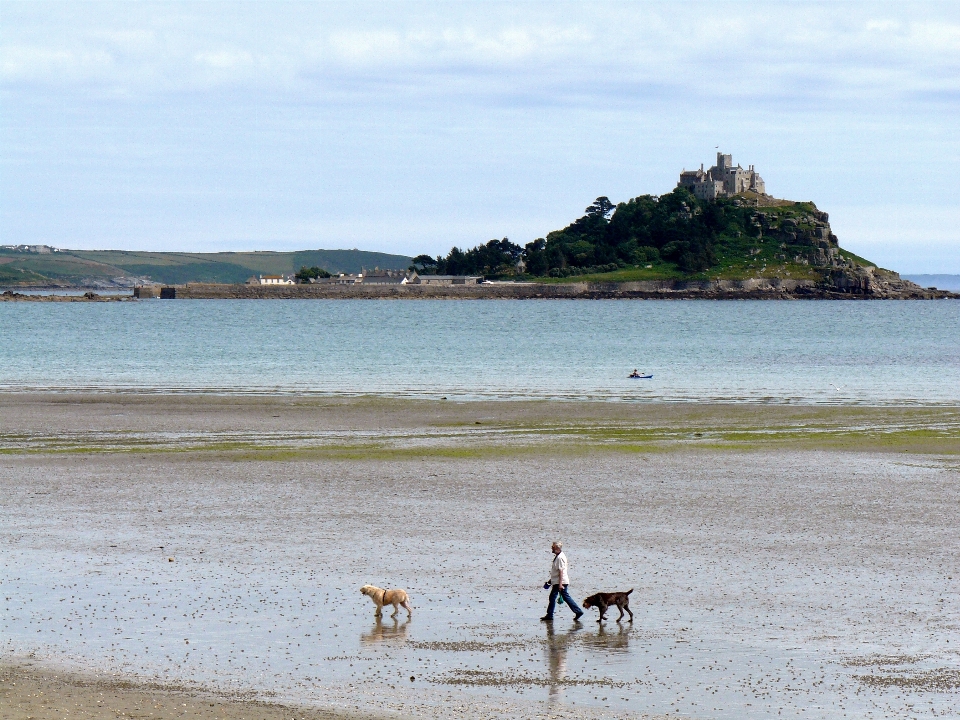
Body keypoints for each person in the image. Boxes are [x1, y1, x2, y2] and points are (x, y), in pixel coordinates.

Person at [541, 541, 584, 622]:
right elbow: (557, 571)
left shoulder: (560, 557)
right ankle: (577, 611)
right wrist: (550, 581)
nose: (551, 548)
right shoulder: (559, 556)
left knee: (558, 597)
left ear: (557, 548)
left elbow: (561, 571)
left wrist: (560, 584)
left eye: (553, 547)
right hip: (558, 581)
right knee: (561, 597)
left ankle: (550, 615)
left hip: (561, 582)